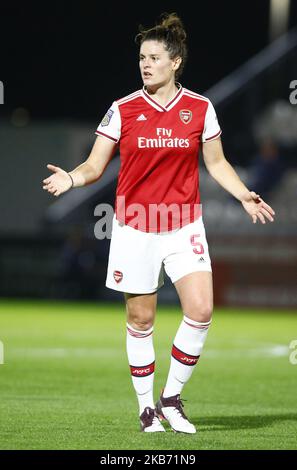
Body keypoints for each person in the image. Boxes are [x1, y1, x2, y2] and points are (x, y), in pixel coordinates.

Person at [43, 13, 275, 434]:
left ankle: (172, 398)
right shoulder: (124, 109)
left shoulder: (200, 108)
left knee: (201, 309)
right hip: (136, 226)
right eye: (141, 58)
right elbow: (96, 165)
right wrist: (72, 177)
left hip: (184, 224)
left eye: (153, 57)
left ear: (176, 61)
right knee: (141, 320)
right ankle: (147, 408)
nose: (145, 64)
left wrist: (244, 194)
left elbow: (217, 163)